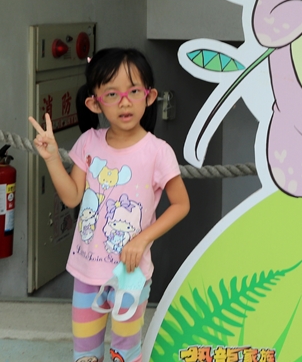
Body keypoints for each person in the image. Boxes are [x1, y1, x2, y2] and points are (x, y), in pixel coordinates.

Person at [31, 47, 190, 362]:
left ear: (149, 96)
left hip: (130, 275)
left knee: (125, 353)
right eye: (112, 94)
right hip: (86, 270)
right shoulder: (89, 142)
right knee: (86, 354)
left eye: (133, 91)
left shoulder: (158, 152)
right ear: (95, 102)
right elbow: (73, 197)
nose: (125, 101)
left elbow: (181, 204)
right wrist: (51, 158)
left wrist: (142, 240)